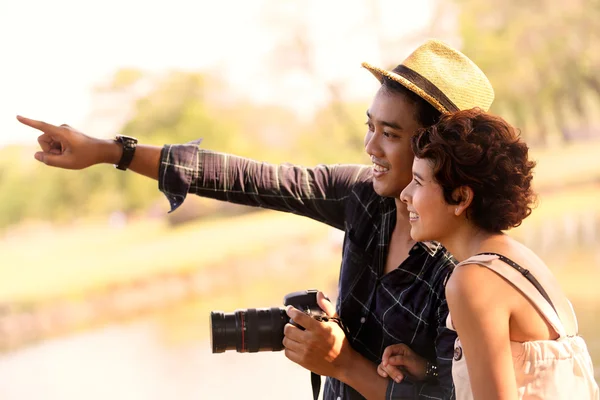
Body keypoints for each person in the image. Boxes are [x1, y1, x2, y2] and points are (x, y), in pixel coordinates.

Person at [17, 39, 495, 399]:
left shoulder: (466, 268)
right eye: (369, 127)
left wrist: (343, 362)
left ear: (435, 147)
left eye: (389, 133)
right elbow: (253, 179)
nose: (370, 147)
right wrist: (109, 151)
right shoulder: (362, 198)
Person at [378, 109, 599, 399]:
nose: (405, 194)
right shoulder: (519, 259)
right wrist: (431, 369)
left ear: (460, 197)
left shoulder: (472, 280)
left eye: (418, 182)